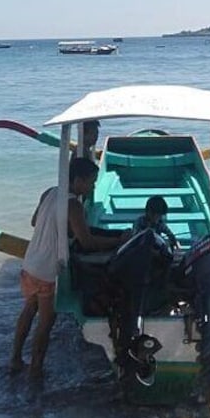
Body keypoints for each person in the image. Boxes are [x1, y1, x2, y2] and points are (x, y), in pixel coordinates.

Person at [10, 158, 124, 378]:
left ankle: (15, 360)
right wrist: (119, 241)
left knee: (28, 311)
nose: (92, 187)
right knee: (45, 323)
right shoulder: (73, 205)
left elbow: (35, 222)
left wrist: (62, 229)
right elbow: (87, 242)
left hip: (30, 264)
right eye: (91, 182)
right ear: (78, 180)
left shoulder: (49, 193)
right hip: (48, 272)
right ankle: (35, 370)